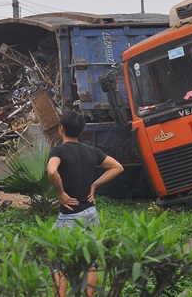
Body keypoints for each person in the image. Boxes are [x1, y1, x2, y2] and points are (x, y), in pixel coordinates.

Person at [47, 110, 124, 297]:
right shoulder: (91, 151)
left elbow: (51, 171)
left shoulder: (58, 151)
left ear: (61, 129)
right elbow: (117, 167)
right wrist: (95, 185)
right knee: (91, 262)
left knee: (59, 264)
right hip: (90, 213)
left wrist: (60, 192)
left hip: (69, 217)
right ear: (80, 131)